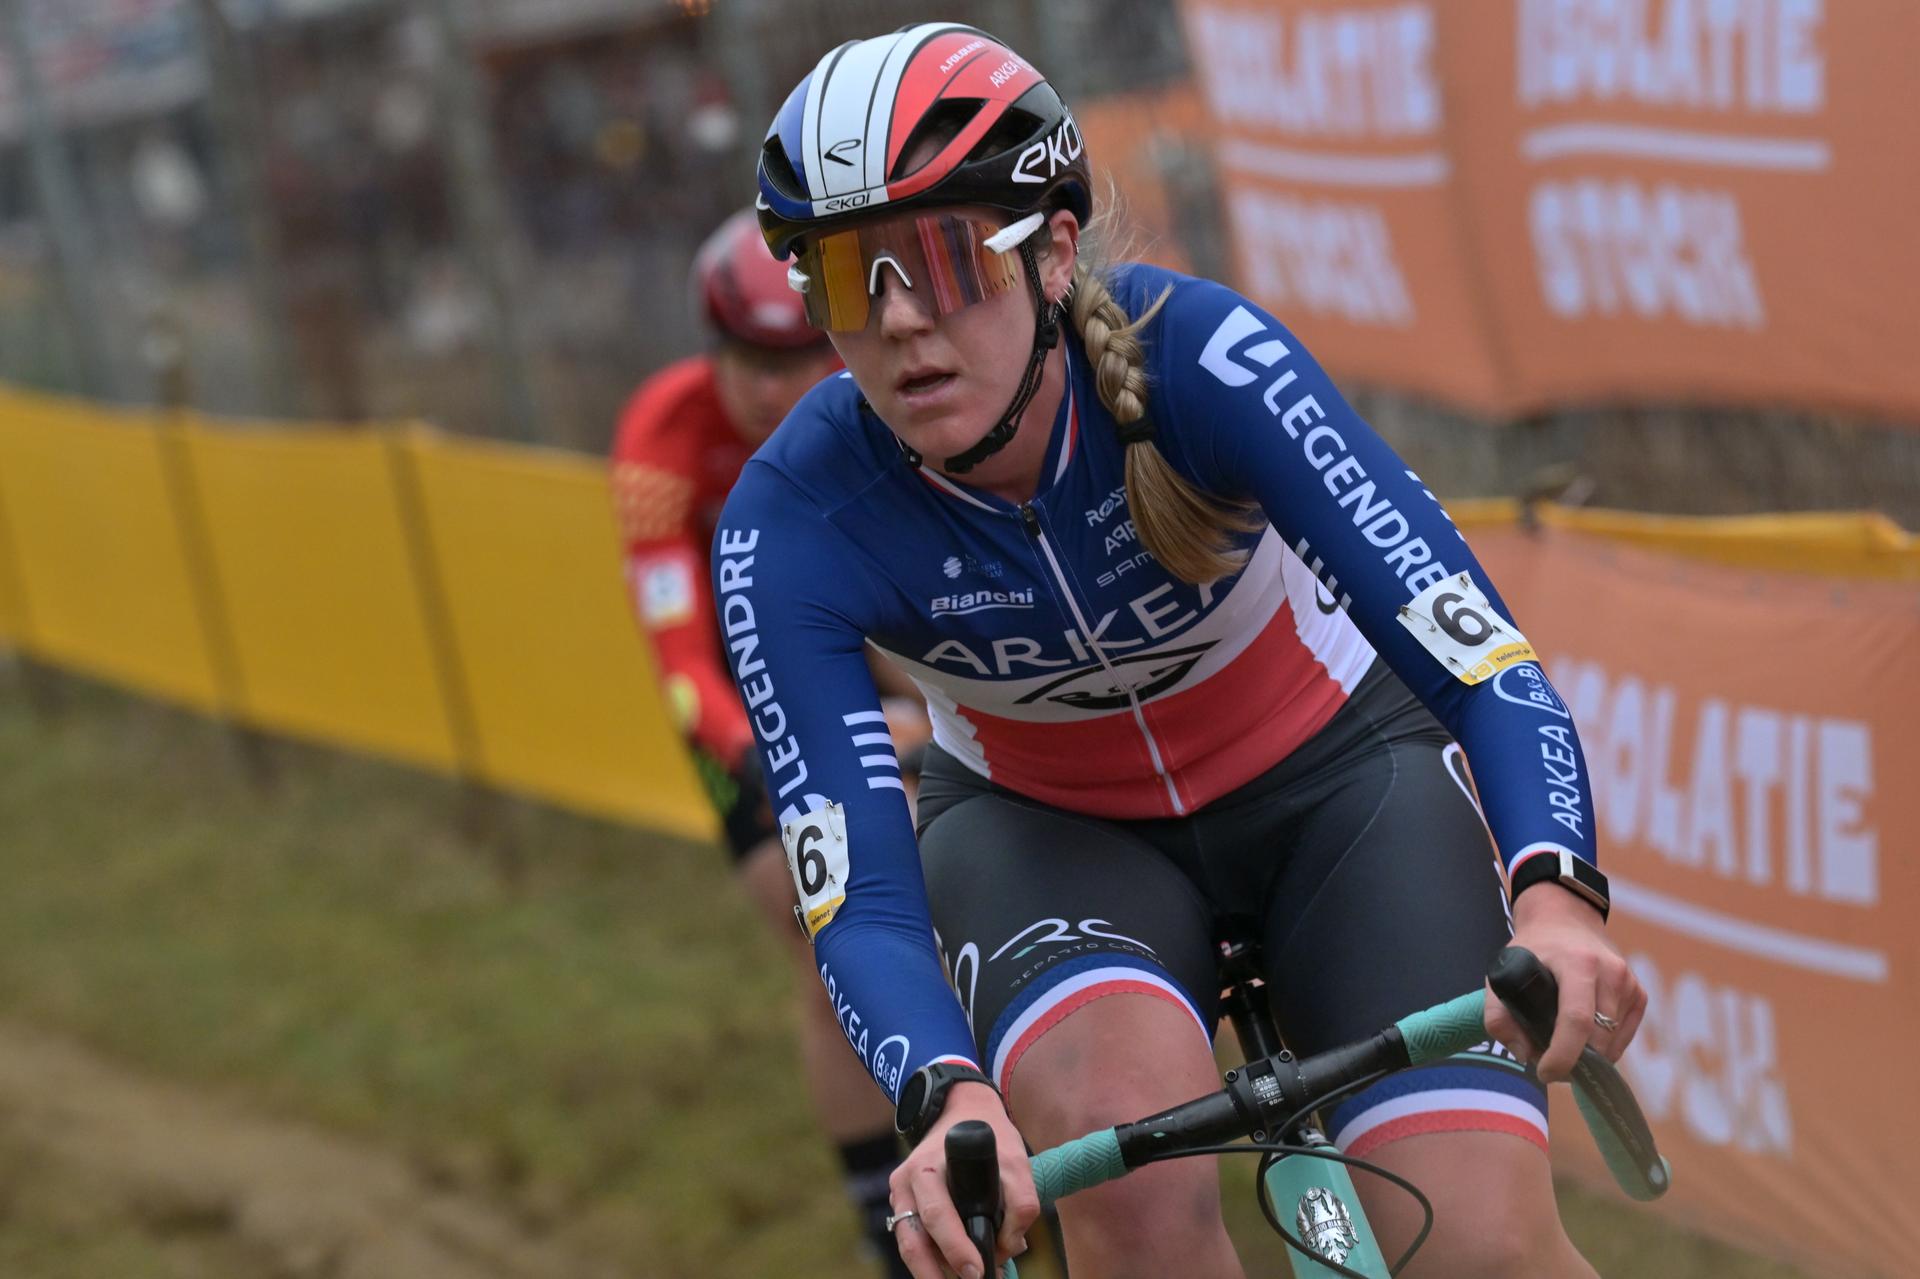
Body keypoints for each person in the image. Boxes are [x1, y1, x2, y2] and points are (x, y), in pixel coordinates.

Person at [715, 24, 1647, 1279]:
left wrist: (1556, 892)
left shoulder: (1206, 357)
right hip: (1050, 838)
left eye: (941, 257)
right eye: (840, 280)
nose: (898, 323)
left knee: (1483, 1249)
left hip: (1339, 787)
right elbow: (854, 879)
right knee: (1133, 1212)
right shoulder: (788, 522)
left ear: (1051, 253)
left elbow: (1474, 651)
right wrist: (946, 1093)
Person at [610, 209, 922, 1278]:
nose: (775, 389)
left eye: (797, 356)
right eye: (750, 362)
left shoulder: (867, 407)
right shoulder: (661, 438)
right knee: (817, 926)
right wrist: (759, 756)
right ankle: (882, 1213)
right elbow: (677, 648)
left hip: (867, 657)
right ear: (712, 355)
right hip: (740, 705)